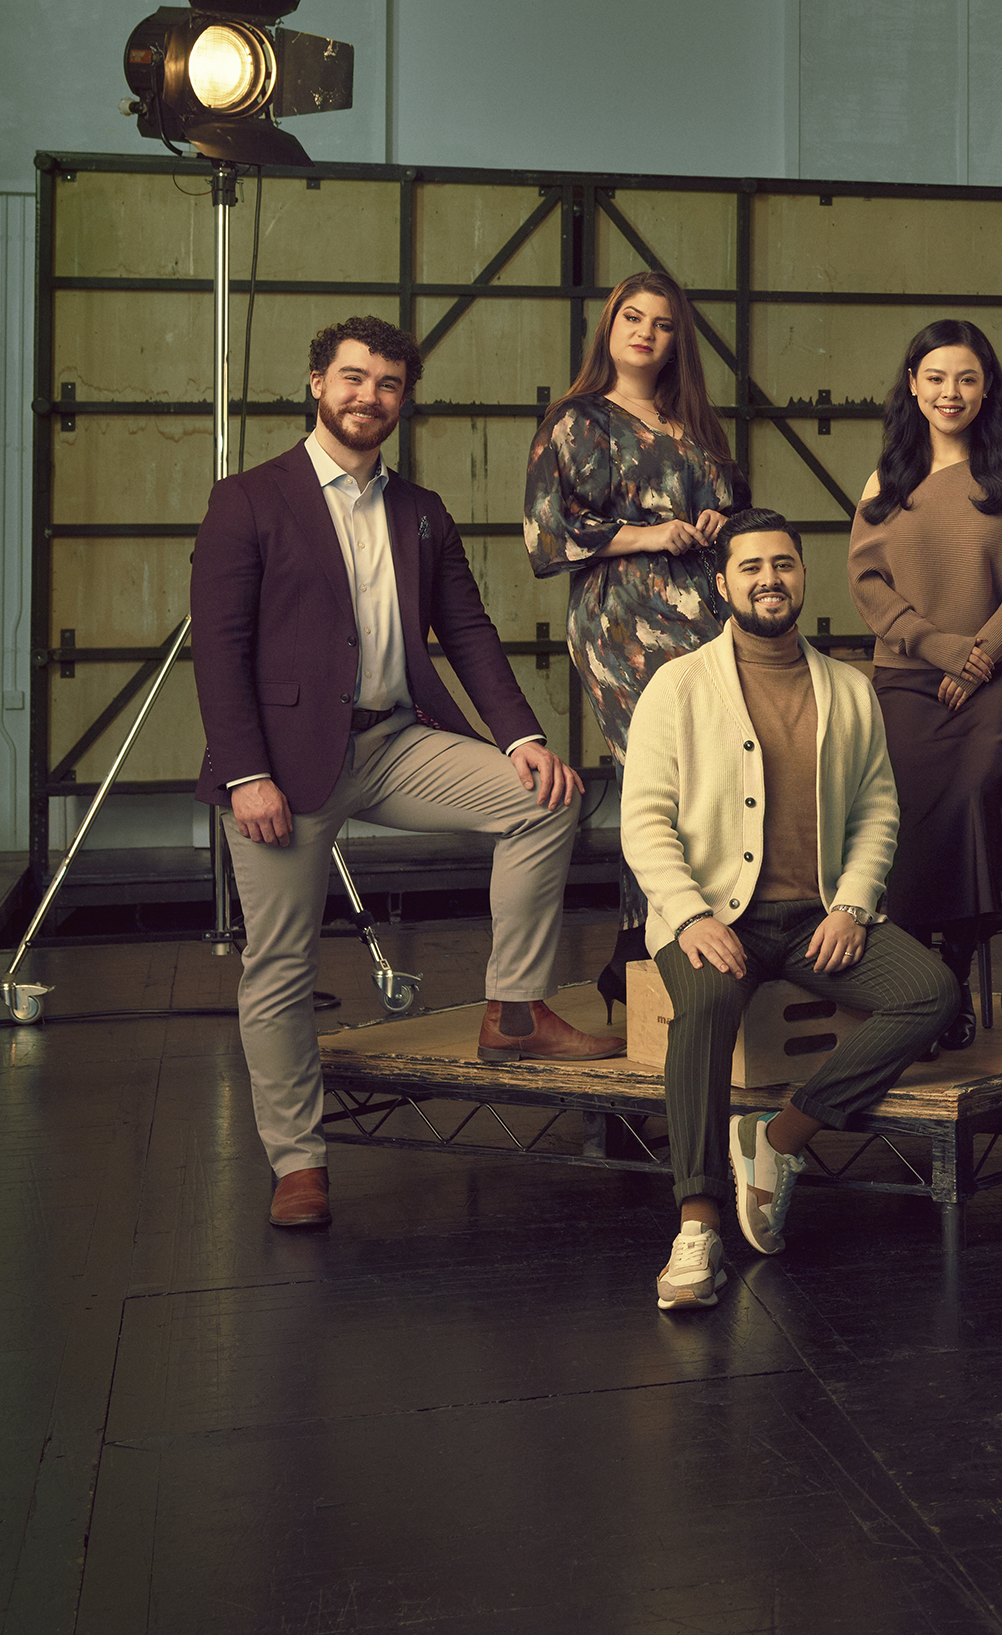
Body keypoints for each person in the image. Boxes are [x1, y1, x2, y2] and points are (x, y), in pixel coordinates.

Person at [194, 316, 610, 1232]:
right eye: (352, 378)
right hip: (282, 768)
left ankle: (512, 1009)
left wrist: (521, 739)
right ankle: (299, 1163)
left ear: (402, 399)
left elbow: (466, 632)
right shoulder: (249, 500)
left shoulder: (420, 511)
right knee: (279, 967)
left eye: (386, 384)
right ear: (316, 383)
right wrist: (242, 773)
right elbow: (218, 653)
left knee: (542, 802)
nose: (367, 398)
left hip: (392, 742)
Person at [621, 512, 956, 1310]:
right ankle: (697, 1224)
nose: (769, 578)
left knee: (931, 992)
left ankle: (780, 1138)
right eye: (751, 567)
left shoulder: (848, 688)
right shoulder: (678, 684)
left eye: (784, 564)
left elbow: (878, 809)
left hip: (817, 918)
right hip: (710, 916)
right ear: (723, 584)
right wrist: (691, 915)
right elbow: (643, 818)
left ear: (804, 577)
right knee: (701, 1007)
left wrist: (853, 903)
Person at [522, 269, 748, 999]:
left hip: (705, 617)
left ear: (678, 338)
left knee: (711, 774)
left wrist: (719, 522)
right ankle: (645, 948)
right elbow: (545, 534)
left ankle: (687, 943)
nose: (646, 332)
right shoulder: (579, 419)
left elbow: (730, 519)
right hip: (621, 621)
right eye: (633, 318)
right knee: (657, 774)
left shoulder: (699, 426)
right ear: (610, 327)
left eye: (663, 323)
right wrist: (646, 536)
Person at [849, 319, 1002, 1040]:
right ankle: (912, 971)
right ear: (913, 385)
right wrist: (942, 650)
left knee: (973, 787)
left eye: (967, 378)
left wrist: (981, 654)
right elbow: (868, 584)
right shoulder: (889, 481)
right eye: (936, 377)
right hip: (910, 675)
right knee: (900, 796)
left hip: (997, 678)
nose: (951, 392)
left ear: (987, 388)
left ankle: (956, 959)